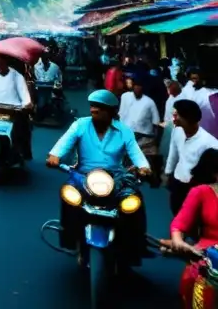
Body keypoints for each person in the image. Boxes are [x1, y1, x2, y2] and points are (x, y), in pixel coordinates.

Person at [47, 90, 152, 259]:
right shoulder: (80, 125)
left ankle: (137, 243)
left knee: (134, 200)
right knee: (68, 195)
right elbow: (64, 143)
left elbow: (136, 153)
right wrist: (55, 156)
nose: (94, 110)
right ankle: (69, 236)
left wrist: (143, 167)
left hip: (116, 178)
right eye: (92, 106)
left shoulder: (124, 131)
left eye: (100, 107)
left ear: (112, 111)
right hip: (83, 176)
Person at [163, 149, 218, 306]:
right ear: (215, 174)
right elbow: (180, 223)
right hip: (208, 253)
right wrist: (178, 241)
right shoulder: (201, 192)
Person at [166, 99, 218, 216]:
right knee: (176, 212)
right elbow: (173, 152)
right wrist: (168, 173)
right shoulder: (177, 131)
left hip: (194, 187)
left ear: (187, 118)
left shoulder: (210, 143)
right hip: (177, 181)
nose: (174, 118)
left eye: (177, 115)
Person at [119, 76, 162, 182]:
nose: (137, 89)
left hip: (144, 136)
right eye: (136, 87)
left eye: (140, 87)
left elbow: (156, 123)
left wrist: (156, 141)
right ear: (132, 87)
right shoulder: (125, 97)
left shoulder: (149, 102)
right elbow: (121, 114)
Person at [33, 51, 62, 117]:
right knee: (41, 104)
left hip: (52, 90)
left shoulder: (55, 67)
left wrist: (57, 86)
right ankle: (41, 113)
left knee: (52, 102)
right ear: (41, 58)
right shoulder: (36, 67)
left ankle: (53, 113)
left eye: (46, 58)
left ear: (49, 58)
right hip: (41, 89)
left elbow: (59, 79)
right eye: (43, 58)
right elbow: (36, 78)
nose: (45, 59)